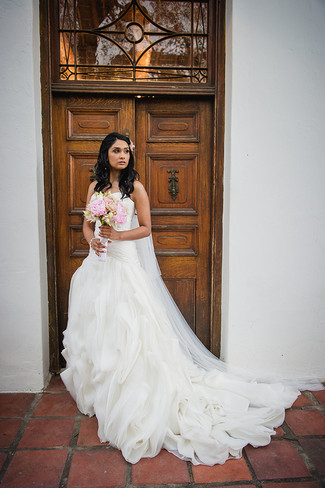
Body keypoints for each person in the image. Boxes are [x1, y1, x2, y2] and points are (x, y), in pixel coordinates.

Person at [61, 132, 320, 466]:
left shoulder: (134, 188)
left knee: (131, 332)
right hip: (98, 267)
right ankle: (101, 393)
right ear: (105, 154)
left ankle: (132, 394)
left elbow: (146, 229)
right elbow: (86, 225)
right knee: (97, 329)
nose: (122, 155)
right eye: (116, 150)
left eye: (126, 151)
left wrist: (118, 235)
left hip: (124, 266)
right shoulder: (95, 188)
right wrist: (92, 241)